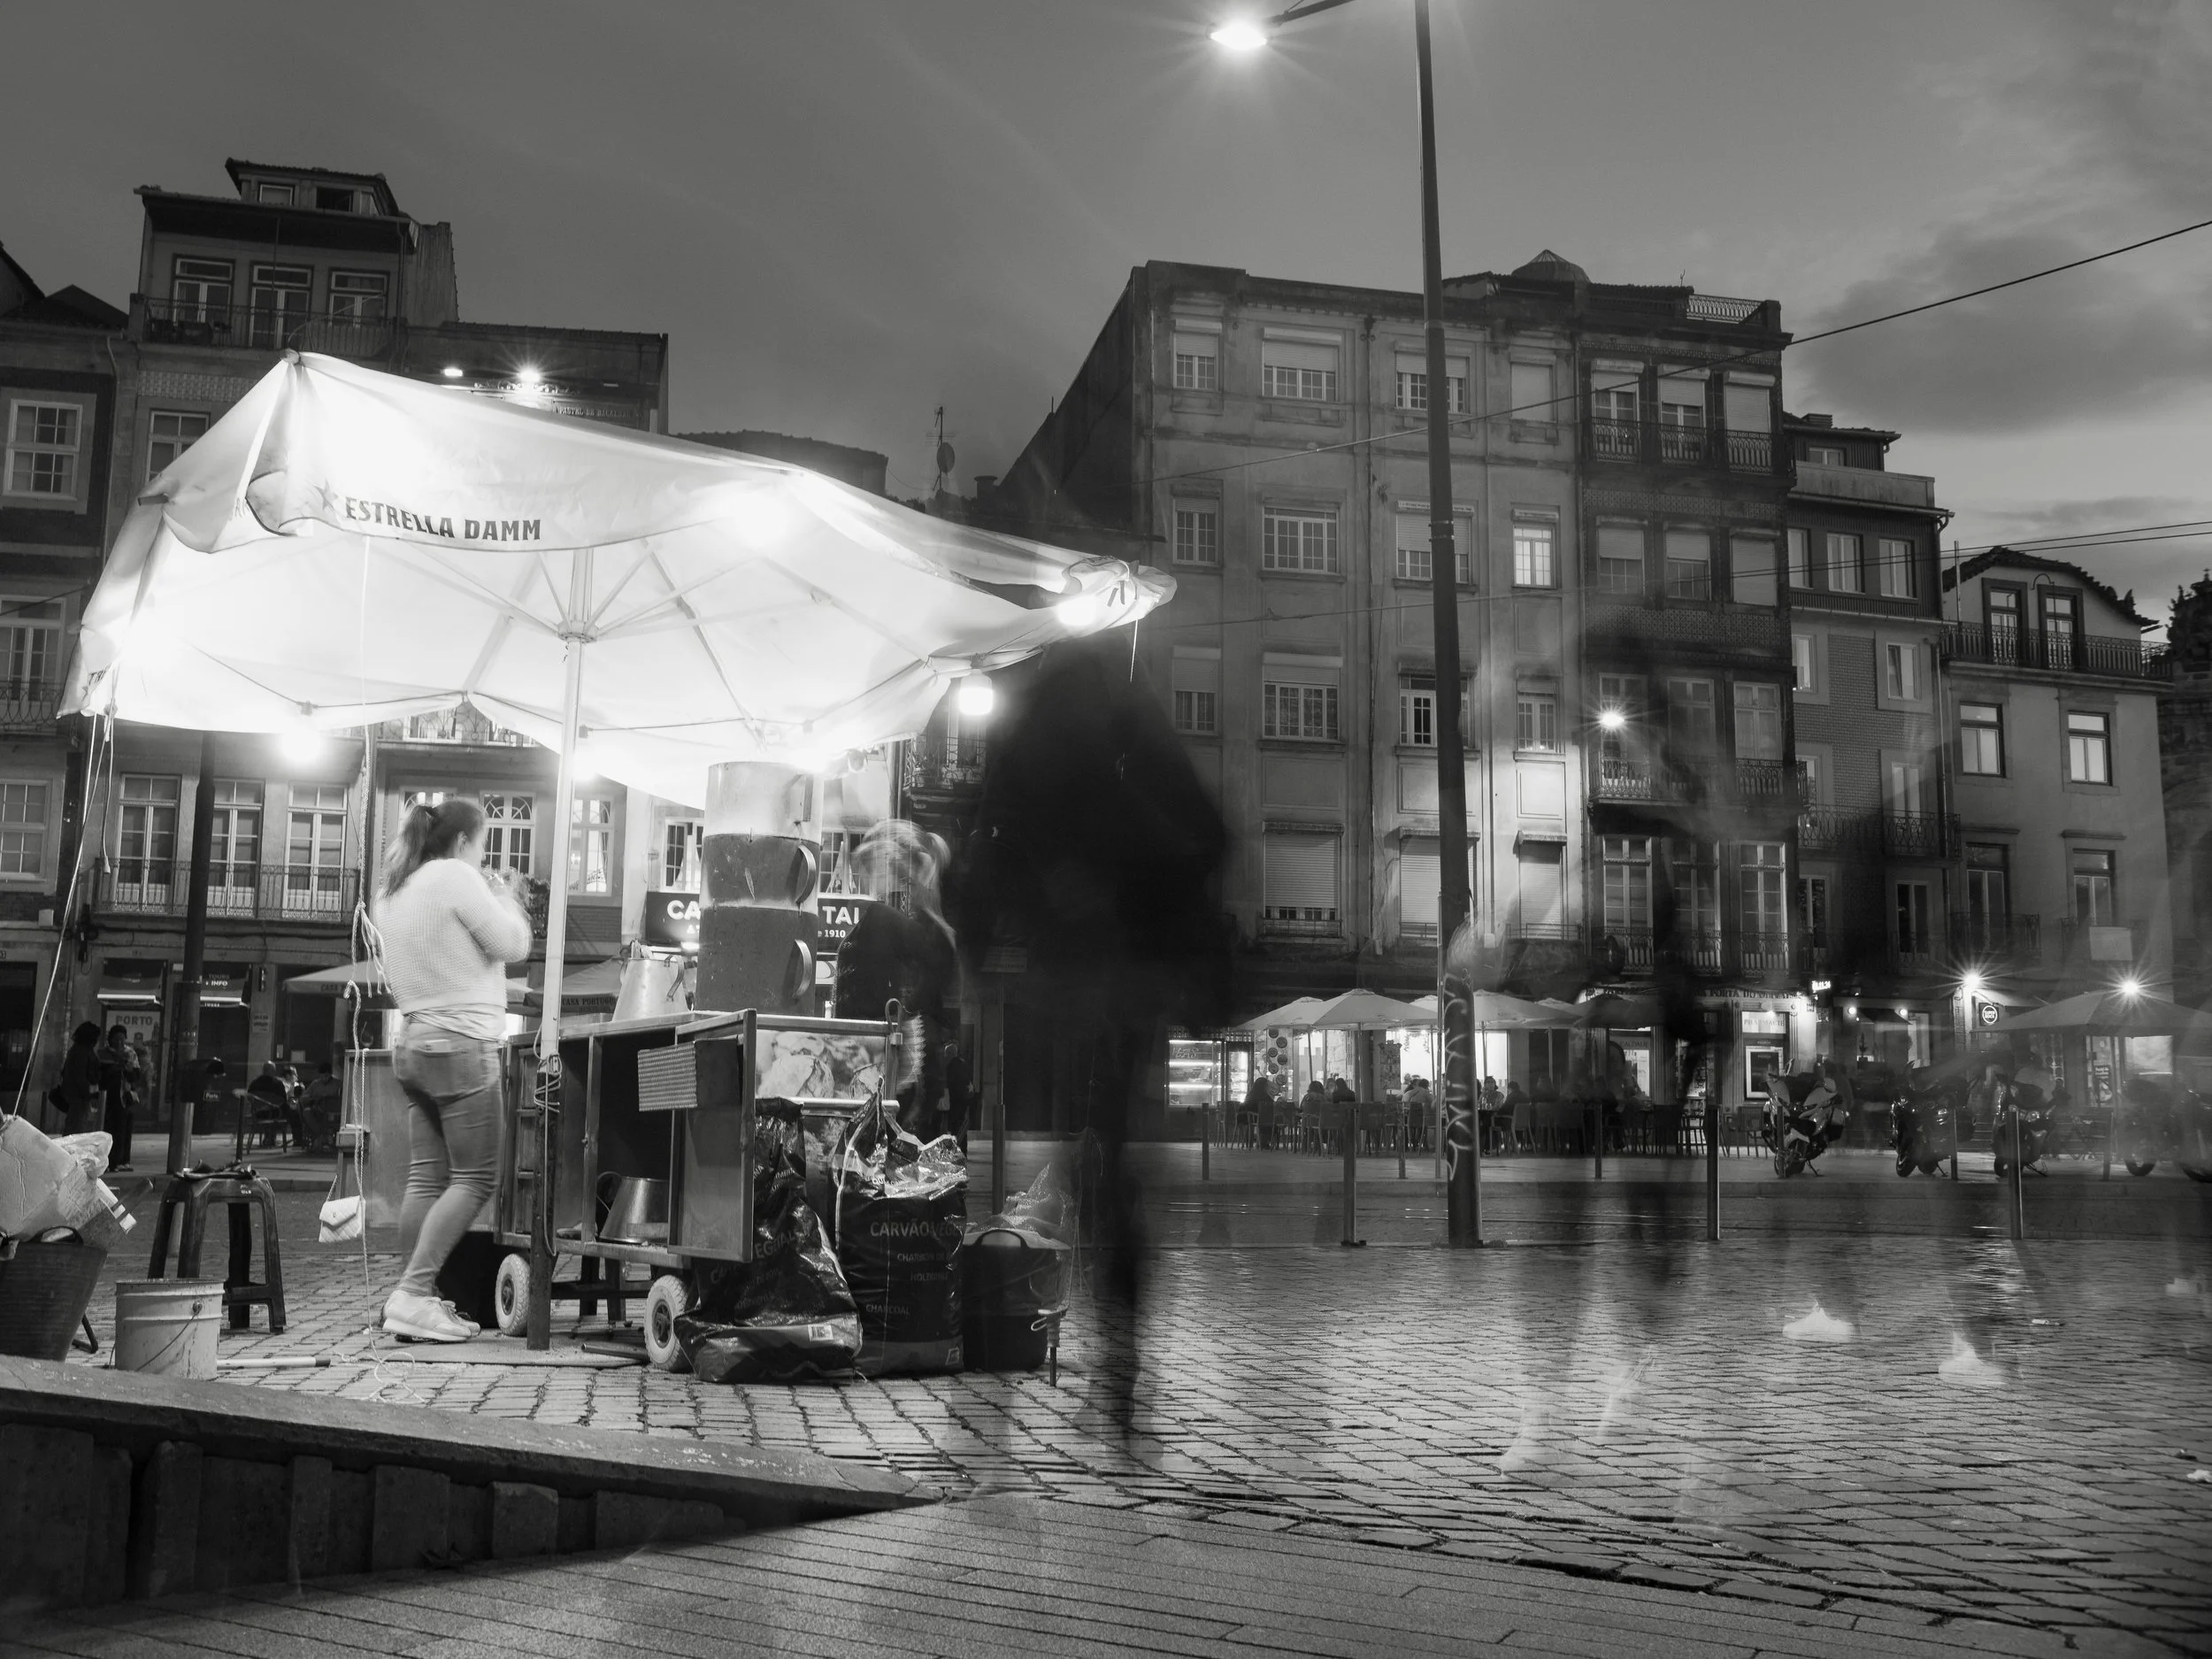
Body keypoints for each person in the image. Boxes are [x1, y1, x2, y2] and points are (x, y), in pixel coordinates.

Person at [373, 797, 533, 1344]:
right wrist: (505, 896)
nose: (482, 854)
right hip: (462, 1049)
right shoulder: (456, 877)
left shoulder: (395, 888)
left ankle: (414, 1298)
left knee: (428, 1177)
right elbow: (512, 942)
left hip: (415, 1043)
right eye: (483, 842)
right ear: (464, 841)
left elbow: (445, 962)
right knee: (476, 1178)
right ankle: (415, 1294)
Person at [833, 821, 959, 1139]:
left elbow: (928, 988)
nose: (862, 873)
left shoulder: (888, 922)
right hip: (879, 1063)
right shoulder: (887, 923)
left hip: (891, 1066)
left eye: (871, 863)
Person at [97, 1024, 139, 1172]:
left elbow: (136, 1076)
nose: (120, 1042)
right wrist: (114, 1068)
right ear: (111, 1039)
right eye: (117, 1039)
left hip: (125, 1096)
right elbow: (99, 1075)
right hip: (108, 1096)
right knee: (109, 1129)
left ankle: (123, 1160)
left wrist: (128, 1069)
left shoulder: (131, 1054)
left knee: (125, 1128)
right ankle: (109, 1161)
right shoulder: (103, 1054)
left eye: (122, 1039)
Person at [52, 1021, 104, 1137]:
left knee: (76, 1125)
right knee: (77, 1128)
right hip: (79, 1097)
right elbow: (81, 1078)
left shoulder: (77, 1050)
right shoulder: (82, 1052)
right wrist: (92, 1092)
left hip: (78, 1096)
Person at [941, 1041, 979, 1154]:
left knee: (954, 1126)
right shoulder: (963, 1064)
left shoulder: (950, 1066)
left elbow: (949, 1083)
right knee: (960, 1125)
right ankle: (963, 1149)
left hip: (954, 1101)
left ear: (949, 1054)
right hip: (963, 1101)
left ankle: (956, 1150)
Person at [301, 1060, 343, 1150]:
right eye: (322, 1076)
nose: (325, 1078)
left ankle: (324, 1137)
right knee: (306, 1112)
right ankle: (319, 1134)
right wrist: (312, 1099)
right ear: (319, 1075)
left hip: (334, 1113)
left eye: (327, 1075)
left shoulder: (338, 1084)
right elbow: (304, 1098)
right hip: (318, 1111)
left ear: (331, 1074)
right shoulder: (315, 1084)